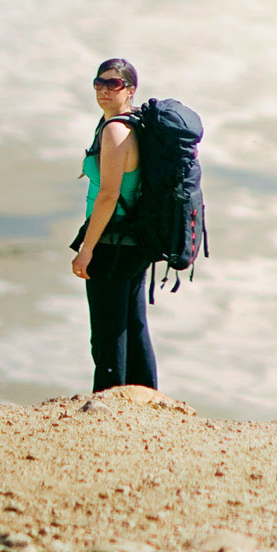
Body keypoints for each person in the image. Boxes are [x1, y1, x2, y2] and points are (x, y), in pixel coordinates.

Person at [70, 57, 158, 393]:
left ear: (130, 89)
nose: (104, 90)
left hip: (112, 243)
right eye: (99, 83)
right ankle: (146, 400)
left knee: (108, 334)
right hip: (135, 243)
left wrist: (86, 249)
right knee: (134, 329)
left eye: (114, 84)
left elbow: (108, 195)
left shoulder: (115, 131)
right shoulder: (132, 124)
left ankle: (107, 405)